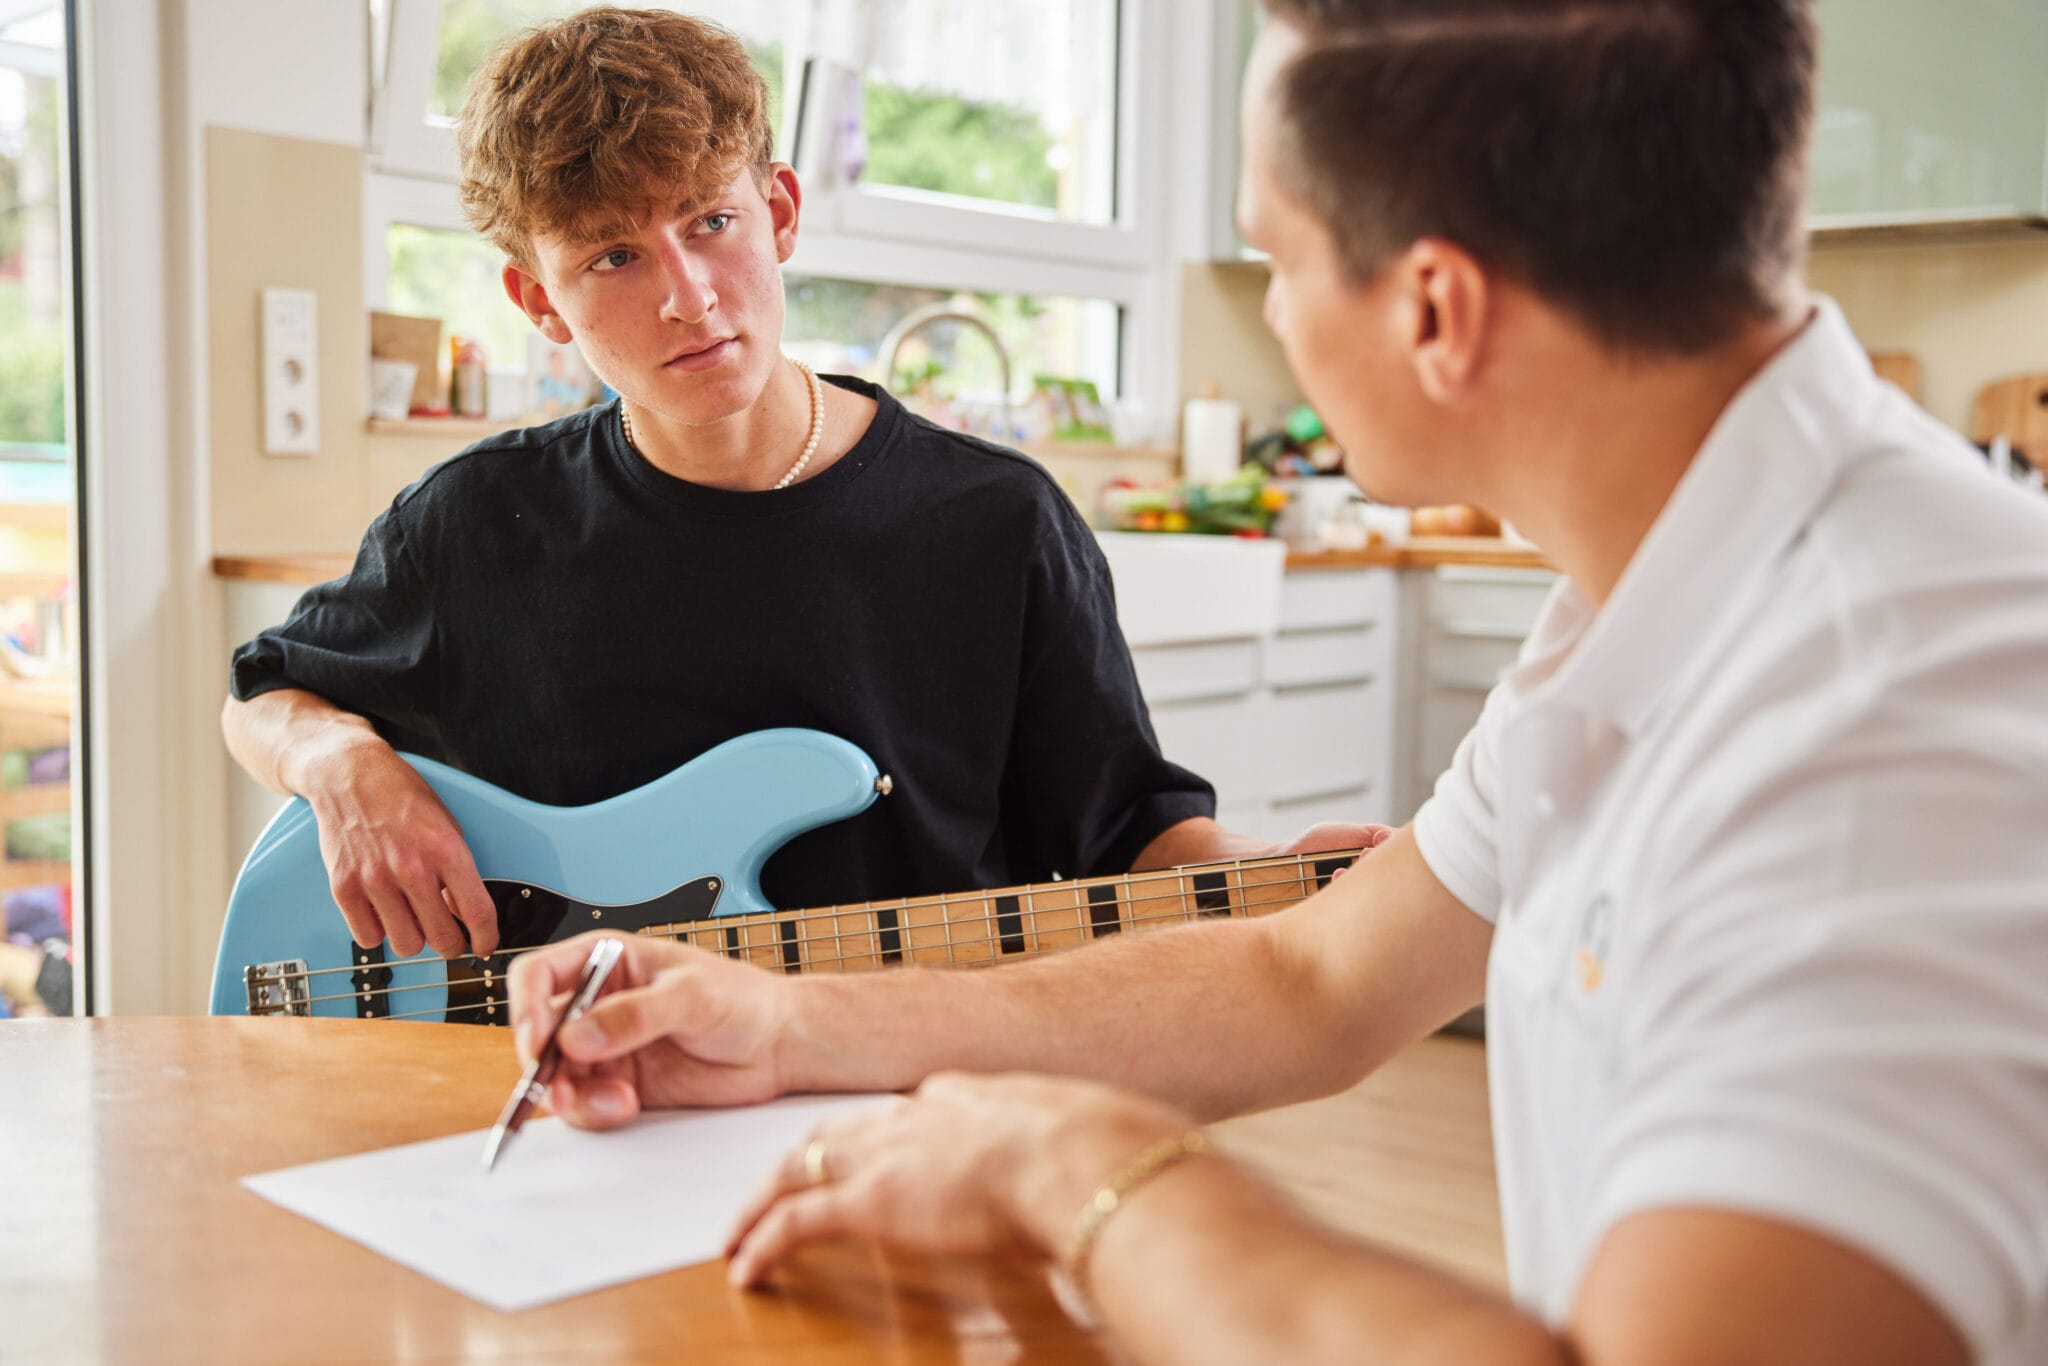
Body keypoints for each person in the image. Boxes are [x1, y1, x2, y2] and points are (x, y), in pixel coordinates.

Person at [507, 2, 2048, 1363]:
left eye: (1274, 258)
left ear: (1431, 310)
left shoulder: (1884, 716)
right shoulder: (1653, 599)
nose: (1278, 320)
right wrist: (781, 1024)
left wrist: (1081, 1173)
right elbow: (1310, 978)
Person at [221, 7, 1367, 964]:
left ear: (777, 214)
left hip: (907, 1089)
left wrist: (1272, 883)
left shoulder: (997, 522)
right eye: (611, 256)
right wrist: (340, 761)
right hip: (573, 1095)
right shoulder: (471, 526)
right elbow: (264, 694)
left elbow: (1131, 835)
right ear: (537, 300)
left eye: (709, 223)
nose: (688, 296)